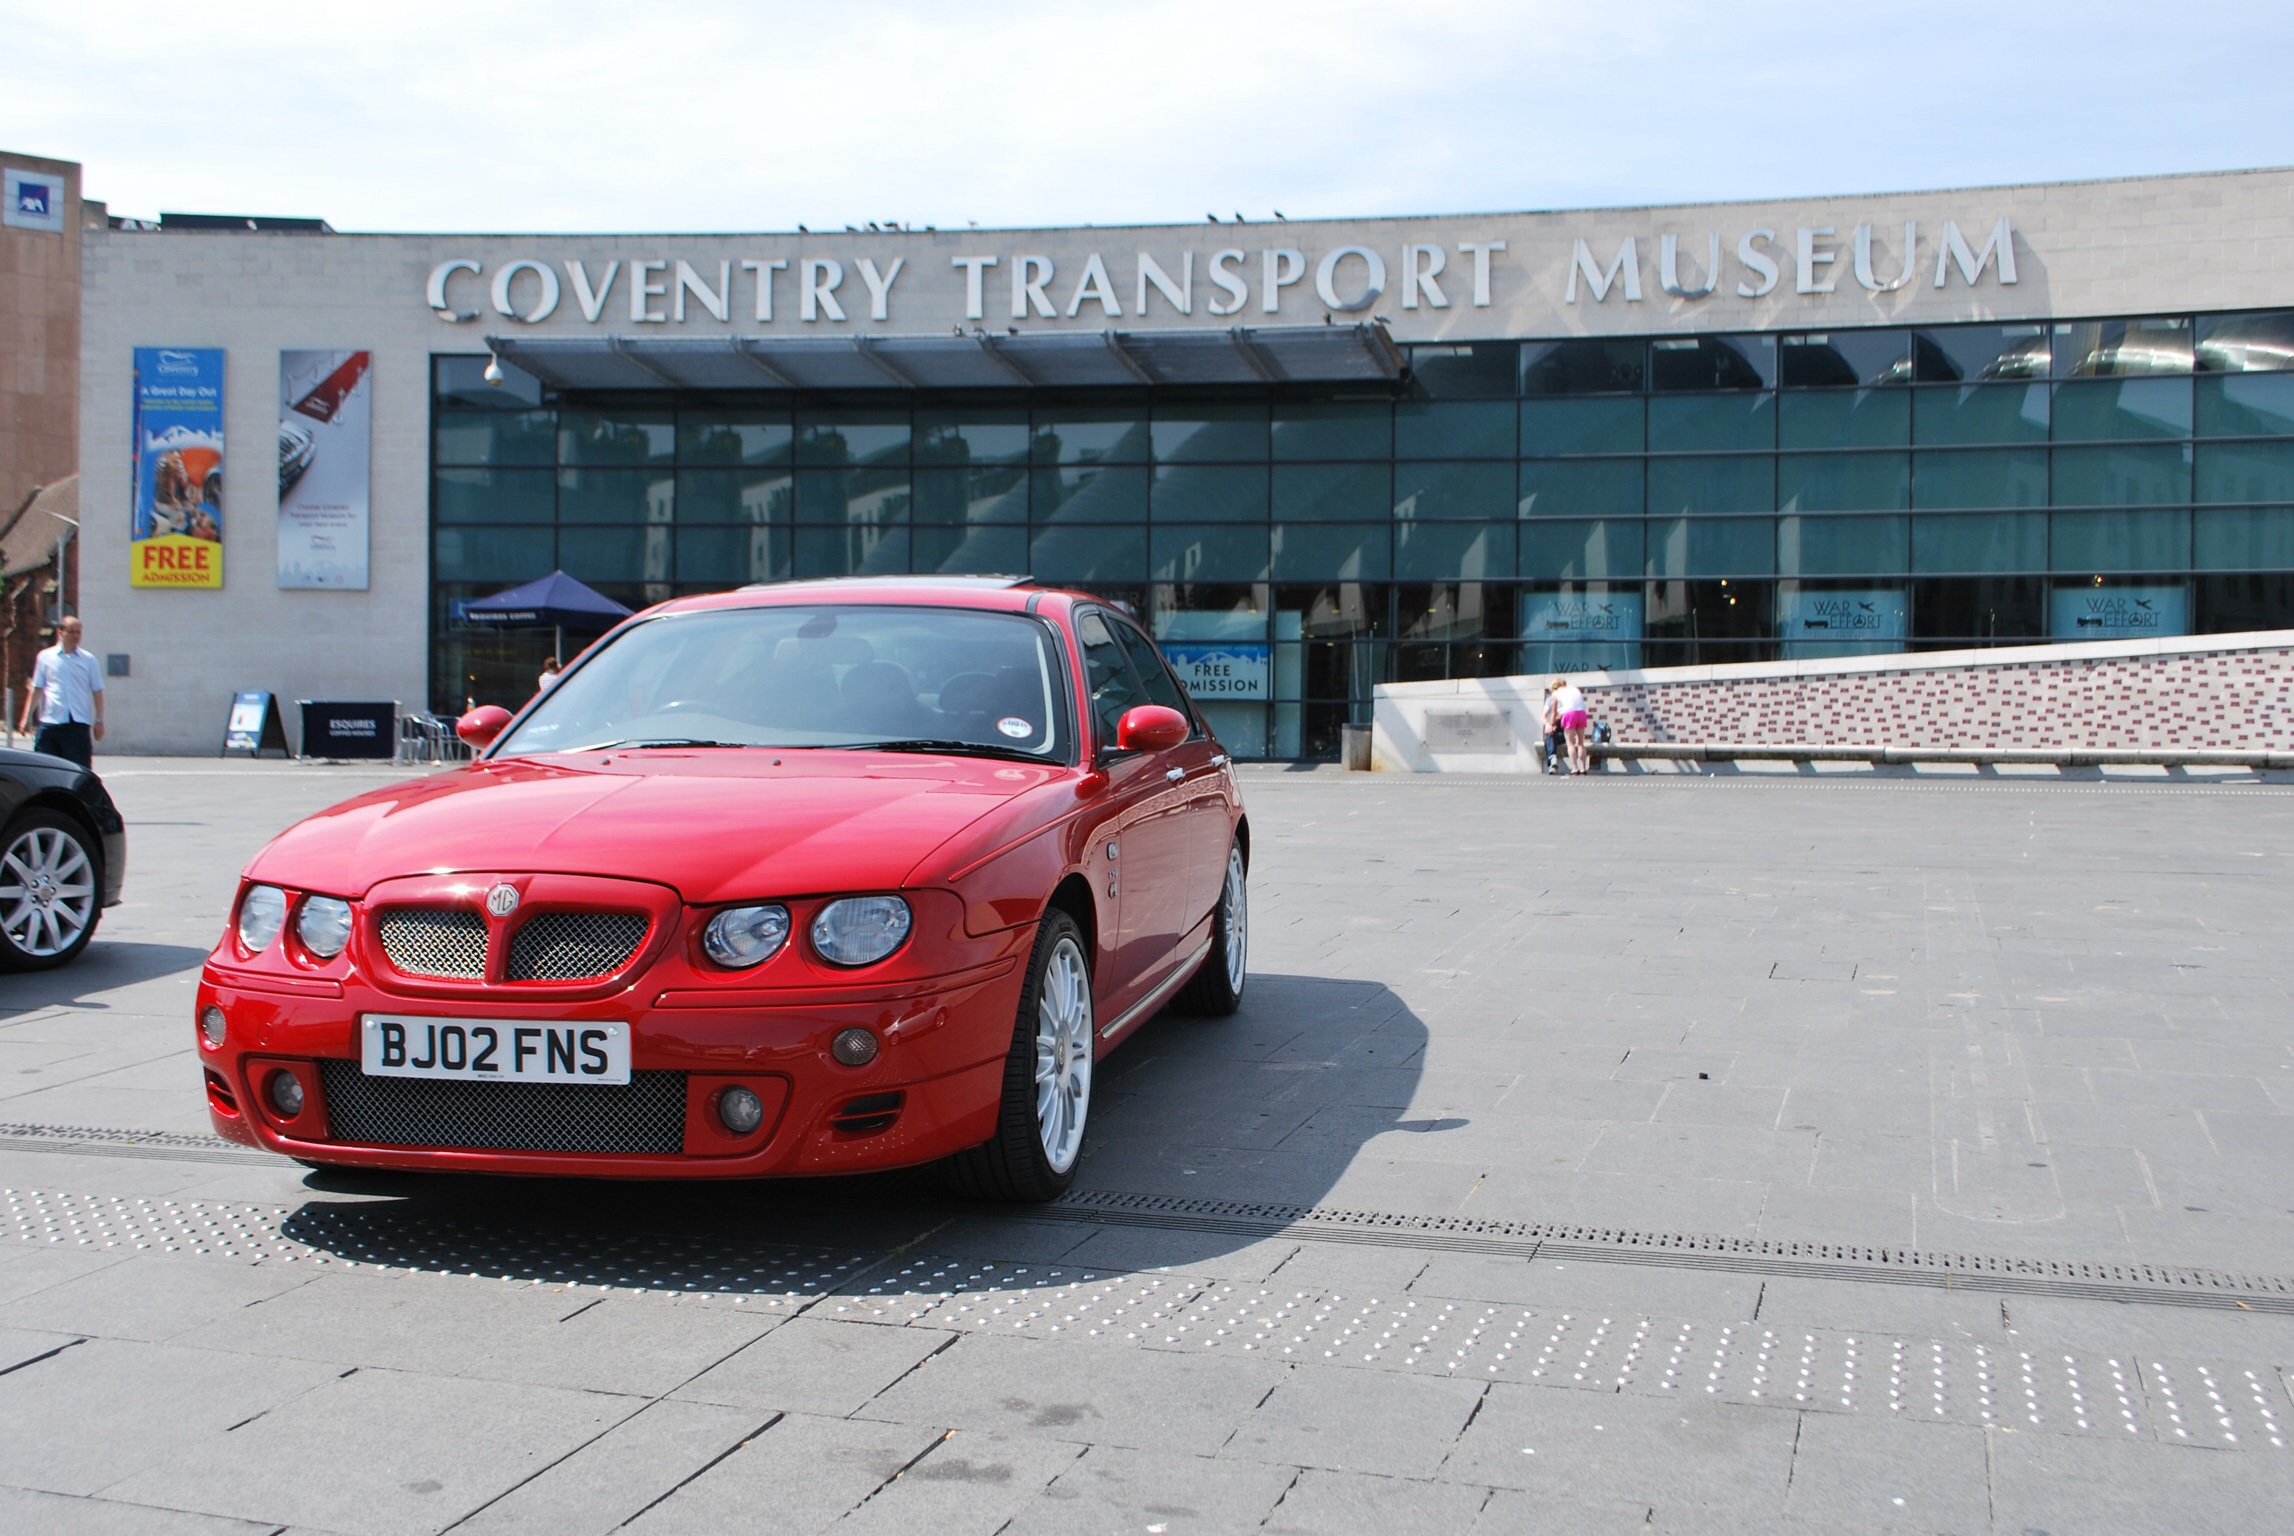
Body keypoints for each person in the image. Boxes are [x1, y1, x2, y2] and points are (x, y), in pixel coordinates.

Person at [17, 616, 105, 768]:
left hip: (77, 724)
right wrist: (26, 717)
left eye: (78, 632)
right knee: (44, 770)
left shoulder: (89, 660)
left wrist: (99, 721)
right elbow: (37, 688)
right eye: (71, 632)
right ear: (60, 632)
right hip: (51, 722)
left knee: (78, 771)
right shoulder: (45, 657)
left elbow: (97, 691)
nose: (76, 636)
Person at [1551, 675, 1592, 775]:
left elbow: (1554, 712)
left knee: (1570, 743)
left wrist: (1552, 724)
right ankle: (1583, 768)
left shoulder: (1556, 693)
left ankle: (1574, 768)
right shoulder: (1574, 688)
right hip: (1581, 713)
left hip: (1569, 714)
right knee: (1581, 743)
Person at [1539, 681, 1563, 774]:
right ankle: (1553, 760)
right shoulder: (1549, 700)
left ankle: (1552, 761)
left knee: (1549, 736)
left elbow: (1561, 716)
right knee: (1549, 734)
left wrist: (1553, 725)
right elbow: (1543, 716)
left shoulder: (1565, 700)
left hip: (1564, 728)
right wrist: (1548, 724)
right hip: (1554, 729)